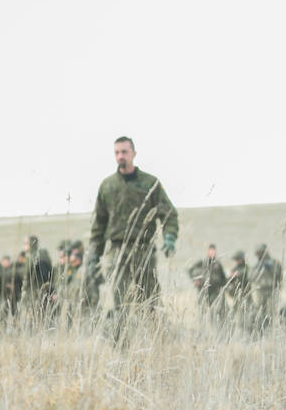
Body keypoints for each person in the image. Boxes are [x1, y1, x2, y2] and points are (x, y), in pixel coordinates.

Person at [87, 136, 179, 329]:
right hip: (117, 250)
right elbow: (99, 223)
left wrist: (169, 237)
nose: (120, 156)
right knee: (120, 301)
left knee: (150, 298)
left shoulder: (150, 183)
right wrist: (95, 253)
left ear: (134, 154)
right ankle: (123, 345)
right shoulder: (108, 186)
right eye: (117, 152)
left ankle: (158, 340)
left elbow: (168, 213)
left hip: (143, 249)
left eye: (124, 152)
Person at [187, 244, 228, 322]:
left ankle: (216, 327)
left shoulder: (218, 264)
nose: (213, 253)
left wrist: (222, 288)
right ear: (208, 251)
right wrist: (195, 281)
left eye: (214, 251)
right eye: (211, 251)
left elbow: (224, 278)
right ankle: (203, 328)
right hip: (203, 291)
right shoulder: (202, 262)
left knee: (216, 312)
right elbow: (190, 270)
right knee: (203, 312)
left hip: (215, 292)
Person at [251, 243, 283, 331]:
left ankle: (270, 330)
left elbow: (278, 275)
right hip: (260, 291)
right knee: (260, 312)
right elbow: (251, 277)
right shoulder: (257, 264)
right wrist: (258, 267)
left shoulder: (274, 262)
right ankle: (260, 330)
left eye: (261, 253)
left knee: (271, 312)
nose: (259, 255)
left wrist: (270, 268)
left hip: (271, 290)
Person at [225, 250, 251, 328]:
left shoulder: (246, 268)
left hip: (246, 295)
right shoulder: (235, 269)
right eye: (237, 260)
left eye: (239, 259)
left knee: (246, 313)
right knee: (234, 313)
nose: (238, 261)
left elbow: (247, 275)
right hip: (237, 296)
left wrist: (238, 274)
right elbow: (229, 280)